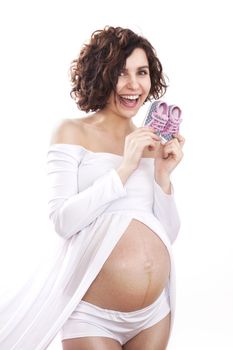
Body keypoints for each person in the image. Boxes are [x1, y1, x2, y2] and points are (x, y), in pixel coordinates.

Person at [0, 26, 184, 350]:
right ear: (101, 76)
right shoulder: (71, 131)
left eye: (141, 72)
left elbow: (166, 233)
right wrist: (125, 168)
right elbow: (63, 221)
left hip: (154, 314)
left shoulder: (149, 141)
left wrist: (163, 176)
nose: (133, 84)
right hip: (91, 315)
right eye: (120, 73)